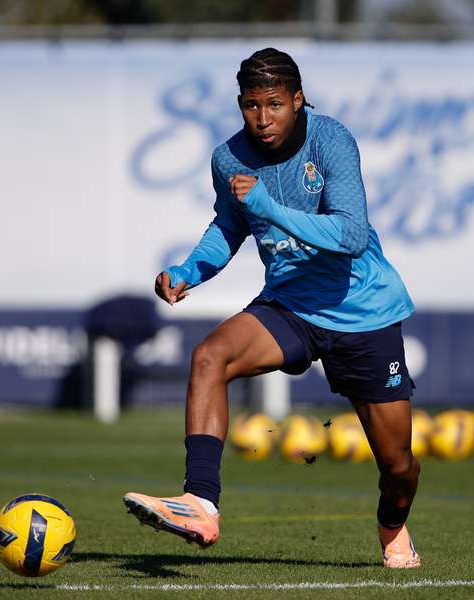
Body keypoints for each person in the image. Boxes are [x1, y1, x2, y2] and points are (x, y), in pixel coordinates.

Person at [124, 48, 421, 569]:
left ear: (298, 100)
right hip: (291, 304)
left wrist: (269, 207)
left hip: (362, 311)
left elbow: (351, 235)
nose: (262, 119)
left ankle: (393, 525)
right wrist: (188, 270)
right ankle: (200, 502)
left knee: (398, 467)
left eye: (275, 105)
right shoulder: (228, 158)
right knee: (209, 356)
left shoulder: (331, 140)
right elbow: (230, 225)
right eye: (251, 105)